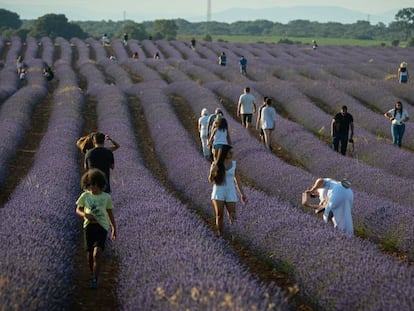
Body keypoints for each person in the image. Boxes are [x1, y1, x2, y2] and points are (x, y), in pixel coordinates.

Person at [76, 168, 116, 288]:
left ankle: (95, 278)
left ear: (99, 184)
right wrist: (85, 215)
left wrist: (114, 228)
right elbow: (78, 209)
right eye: (88, 185)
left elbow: (110, 213)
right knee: (89, 254)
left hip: (102, 226)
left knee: (96, 253)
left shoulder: (106, 197)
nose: (91, 187)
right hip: (88, 226)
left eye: (93, 184)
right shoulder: (85, 196)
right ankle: (92, 273)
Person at [208, 145, 247, 236]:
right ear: (224, 153)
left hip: (230, 191)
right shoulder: (215, 164)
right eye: (230, 152)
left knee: (233, 215)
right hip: (218, 191)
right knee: (219, 215)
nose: (232, 154)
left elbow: (238, 180)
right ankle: (220, 235)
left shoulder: (234, 164)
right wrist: (213, 172)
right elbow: (210, 180)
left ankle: (234, 235)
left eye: (232, 152)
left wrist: (242, 194)